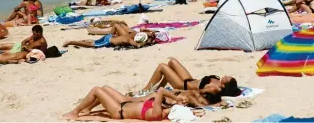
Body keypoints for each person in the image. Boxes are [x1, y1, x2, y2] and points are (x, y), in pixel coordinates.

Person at [62, 86, 216, 121]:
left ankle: (75, 112)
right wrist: (194, 111)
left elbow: (161, 90)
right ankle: (88, 108)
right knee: (104, 88)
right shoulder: (163, 110)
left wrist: (176, 99)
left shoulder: (157, 114)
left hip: (119, 111)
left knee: (97, 90)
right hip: (124, 104)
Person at [142, 58, 241, 97]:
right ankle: (160, 87)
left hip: (182, 85)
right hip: (190, 79)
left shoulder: (215, 88)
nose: (226, 75)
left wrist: (179, 93)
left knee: (162, 67)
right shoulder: (218, 81)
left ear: (225, 85)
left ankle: (146, 89)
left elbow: (198, 93)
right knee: (172, 61)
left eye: (227, 78)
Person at [63, 23, 157, 49]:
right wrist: (148, 42)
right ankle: (71, 42)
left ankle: (75, 41)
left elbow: (143, 31)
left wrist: (150, 33)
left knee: (93, 41)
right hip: (108, 41)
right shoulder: (130, 40)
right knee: (91, 44)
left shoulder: (134, 34)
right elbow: (138, 45)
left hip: (109, 37)